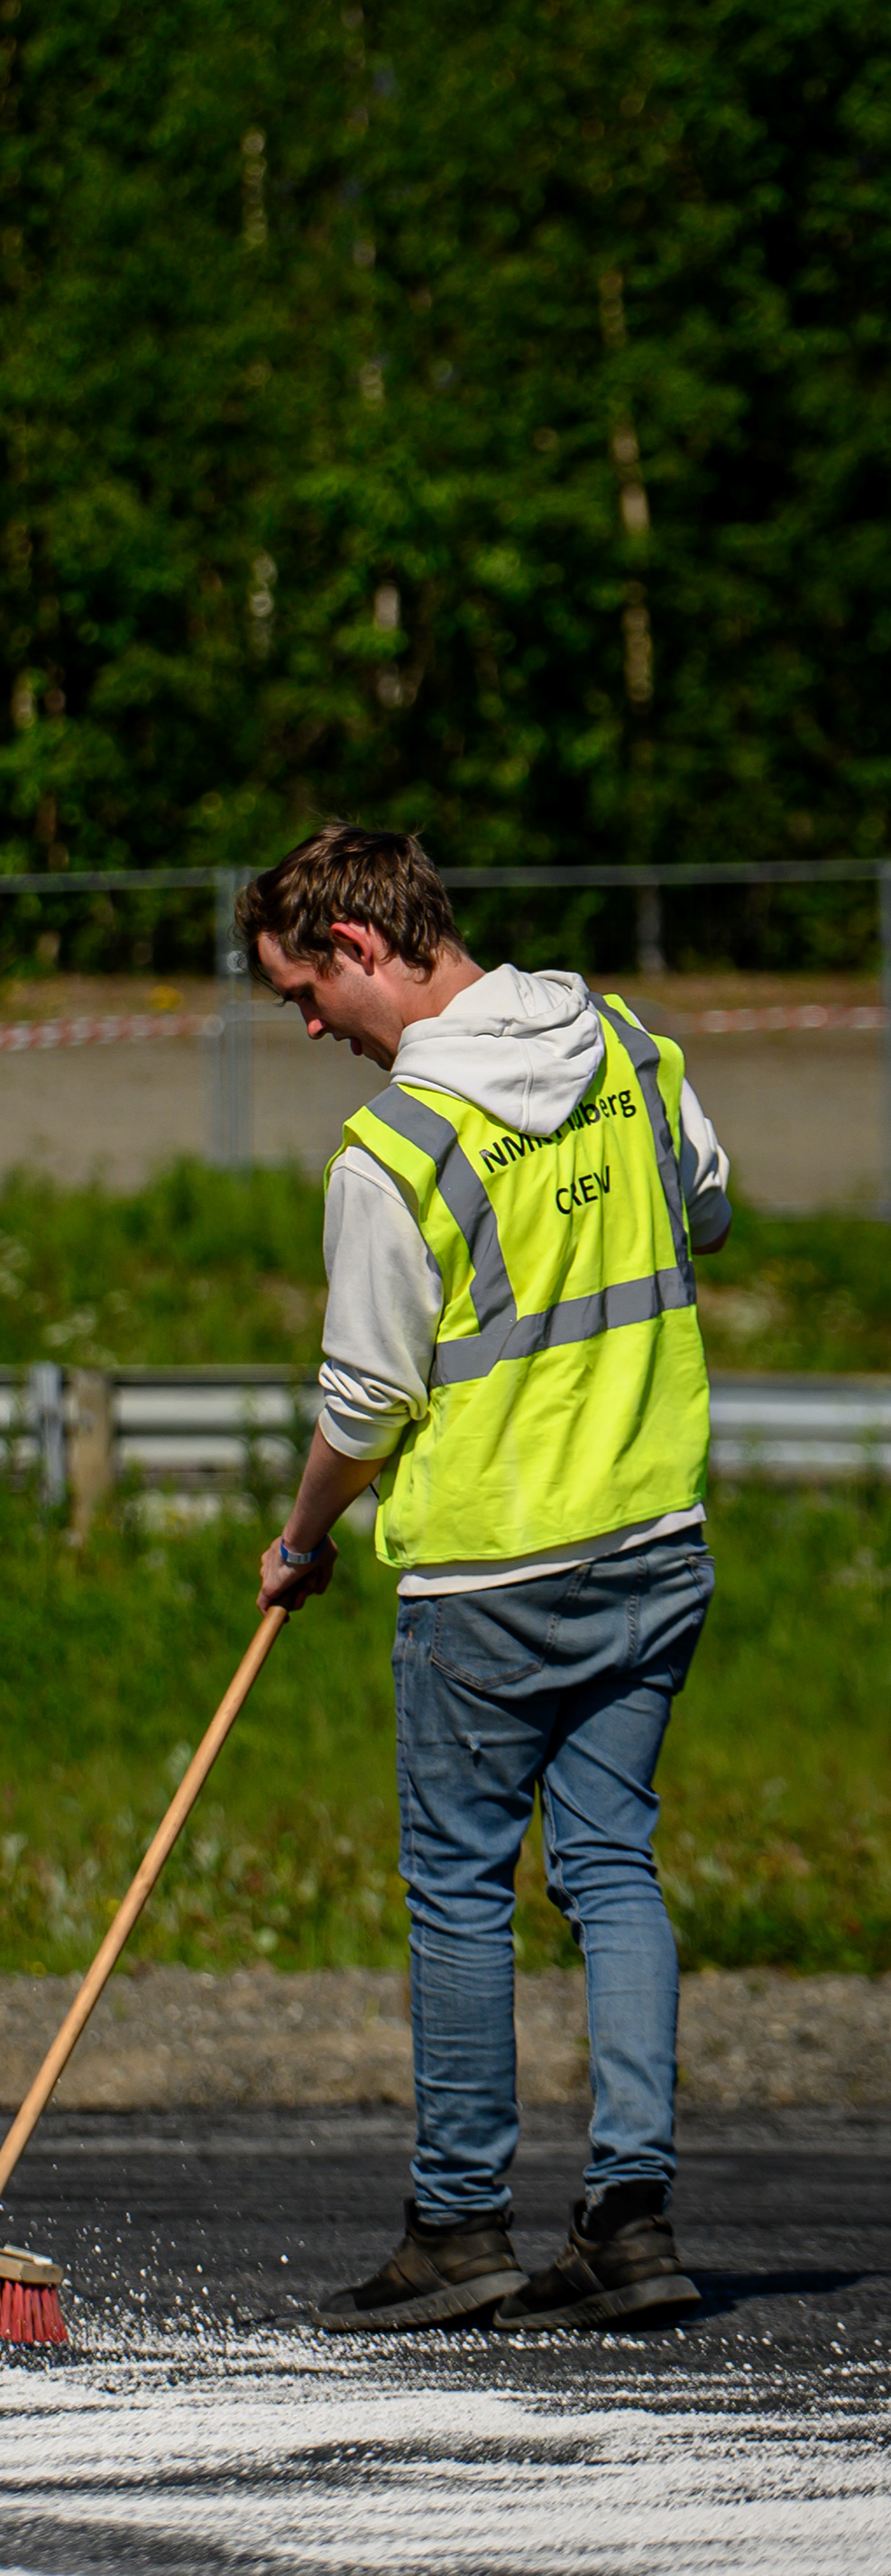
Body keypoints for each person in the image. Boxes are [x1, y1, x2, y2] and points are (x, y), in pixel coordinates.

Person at [240, 824, 732, 2333]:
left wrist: (301, 1541)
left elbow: (364, 1403)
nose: (309, 1026)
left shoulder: (394, 1151)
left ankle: (460, 2226)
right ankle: (630, 2222)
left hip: (488, 1579)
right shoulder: (629, 1048)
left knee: (462, 1896)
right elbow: (707, 1207)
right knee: (611, 1870)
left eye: (304, 992)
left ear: (360, 946)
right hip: (653, 1540)